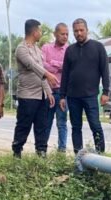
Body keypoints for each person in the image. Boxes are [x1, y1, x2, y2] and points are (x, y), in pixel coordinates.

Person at [59, 18, 110, 154]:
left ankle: (100, 155)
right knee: (76, 127)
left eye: (81, 30)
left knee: (95, 125)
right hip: (73, 96)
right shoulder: (70, 50)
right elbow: (65, 74)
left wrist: (106, 92)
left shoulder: (98, 47)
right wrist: (62, 96)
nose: (79, 33)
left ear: (87, 30)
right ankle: (78, 156)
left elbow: (105, 70)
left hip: (90, 95)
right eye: (76, 31)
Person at [12, 19, 58, 158]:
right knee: (24, 125)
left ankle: (41, 153)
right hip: (27, 95)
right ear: (34, 32)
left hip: (41, 95)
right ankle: (17, 152)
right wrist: (48, 74)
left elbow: (41, 72)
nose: (41, 33)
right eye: (40, 30)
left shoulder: (38, 50)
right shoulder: (21, 49)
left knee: (42, 126)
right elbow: (32, 65)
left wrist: (48, 92)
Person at [42, 23, 70, 153]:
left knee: (62, 123)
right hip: (48, 92)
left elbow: (69, 67)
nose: (65, 36)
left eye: (66, 34)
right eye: (62, 34)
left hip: (63, 93)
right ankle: (42, 150)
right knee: (46, 123)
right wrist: (59, 66)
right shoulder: (46, 48)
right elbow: (41, 65)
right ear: (55, 34)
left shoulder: (69, 50)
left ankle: (62, 151)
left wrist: (52, 63)